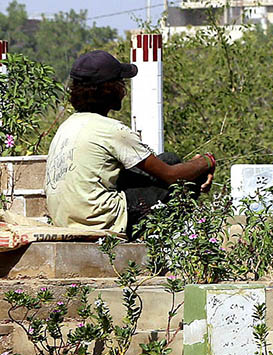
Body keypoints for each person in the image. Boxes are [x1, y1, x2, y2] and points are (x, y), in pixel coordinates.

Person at [44, 50, 215, 239]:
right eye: (121, 83)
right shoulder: (112, 130)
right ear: (109, 89)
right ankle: (157, 248)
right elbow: (171, 176)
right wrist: (206, 163)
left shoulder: (67, 126)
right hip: (100, 220)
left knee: (168, 161)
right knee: (179, 172)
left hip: (66, 220)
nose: (124, 90)